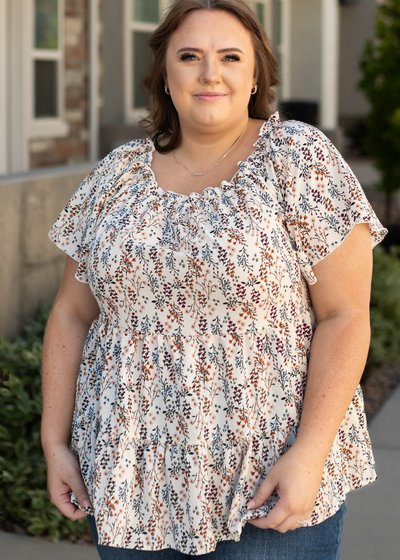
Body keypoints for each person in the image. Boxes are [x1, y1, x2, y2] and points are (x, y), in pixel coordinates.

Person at [41, 1, 387, 559]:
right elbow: (71, 313)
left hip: (266, 478)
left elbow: (344, 316)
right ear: (164, 75)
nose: (210, 73)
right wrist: (55, 444)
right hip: (127, 476)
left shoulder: (298, 159)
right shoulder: (115, 174)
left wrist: (310, 454)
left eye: (230, 56)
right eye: (189, 56)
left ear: (255, 75)